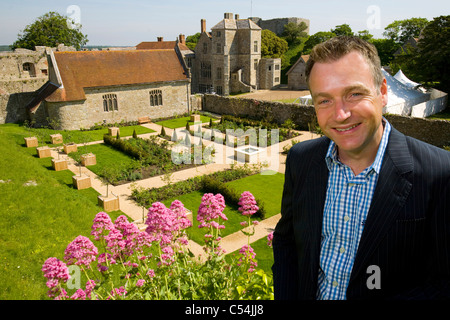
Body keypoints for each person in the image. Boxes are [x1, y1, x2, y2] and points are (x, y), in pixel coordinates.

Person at [272, 36, 450, 300]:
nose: (341, 114)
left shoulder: (440, 173)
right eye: (324, 100)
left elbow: (443, 282)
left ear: (383, 91)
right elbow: (287, 243)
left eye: (354, 94)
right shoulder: (301, 159)